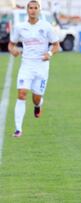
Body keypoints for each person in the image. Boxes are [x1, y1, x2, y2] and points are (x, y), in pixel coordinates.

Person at [8, 0, 60, 137]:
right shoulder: (20, 27)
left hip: (42, 66)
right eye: (30, 8)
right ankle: (18, 129)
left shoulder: (46, 26)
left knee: (36, 98)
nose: (33, 10)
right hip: (26, 65)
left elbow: (56, 45)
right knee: (21, 94)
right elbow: (11, 44)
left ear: (39, 10)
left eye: (35, 8)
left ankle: (38, 106)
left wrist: (49, 54)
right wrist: (12, 50)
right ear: (27, 10)